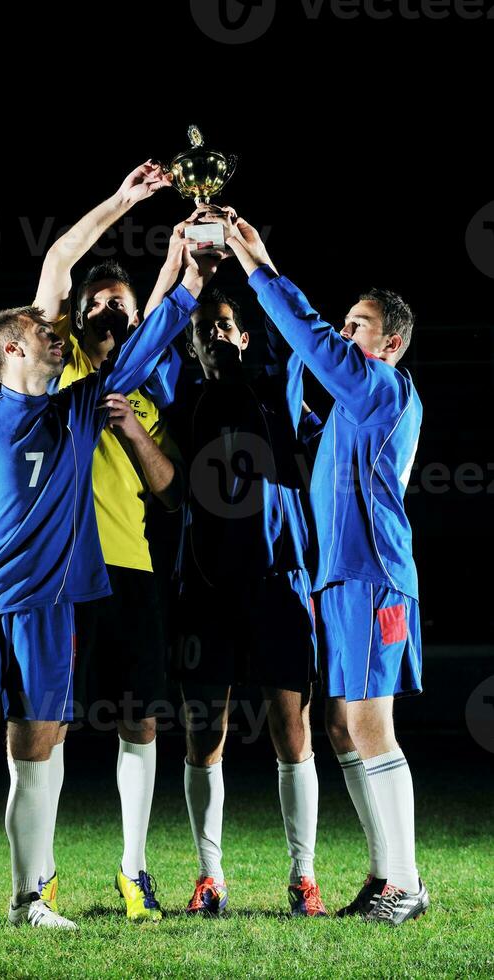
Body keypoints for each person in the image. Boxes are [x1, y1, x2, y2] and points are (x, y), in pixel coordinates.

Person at [0, 216, 212, 937]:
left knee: (34, 762)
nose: (56, 328)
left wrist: (186, 274)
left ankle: (28, 898)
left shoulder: (78, 410)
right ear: (12, 344)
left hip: (48, 613)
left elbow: (150, 335)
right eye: (42, 326)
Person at [226, 217, 429, 926]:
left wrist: (256, 265)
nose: (346, 335)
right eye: (345, 323)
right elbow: (295, 412)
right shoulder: (351, 408)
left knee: (369, 726)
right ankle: (385, 877)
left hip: (373, 576)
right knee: (341, 726)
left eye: (360, 325)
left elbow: (310, 336)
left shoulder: (382, 389)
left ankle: (405, 884)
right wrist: (290, 360)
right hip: (339, 578)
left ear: (391, 343)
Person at [31, 164, 216, 922]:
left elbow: (174, 491)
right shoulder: (57, 363)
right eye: (99, 303)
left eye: (123, 304)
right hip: (58, 573)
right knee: (49, 724)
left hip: (133, 570)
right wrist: (125, 202)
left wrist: (137, 432)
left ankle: (133, 872)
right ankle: (37, 877)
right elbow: (54, 264)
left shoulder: (147, 385)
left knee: (140, 720)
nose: (110, 311)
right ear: (78, 315)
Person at [167, 272, 326, 918]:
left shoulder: (275, 393)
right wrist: (182, 284)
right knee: (205, 735)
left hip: (278, 584)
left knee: (294, 729)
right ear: (195, 349)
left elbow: (299, 335)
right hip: (205, 587)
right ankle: (211, 878)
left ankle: (304, 878)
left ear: (247, 335)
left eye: (226, 327)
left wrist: (253, 261)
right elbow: (146, 358)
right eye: (205, 332)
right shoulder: (184, 402)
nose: (217, 337)